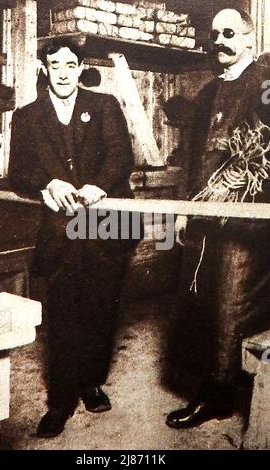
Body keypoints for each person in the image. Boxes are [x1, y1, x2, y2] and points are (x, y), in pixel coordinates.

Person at [9, 38, 135, 438]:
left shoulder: (104, 105)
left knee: (101, 306)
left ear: (81, 68)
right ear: (44, 69)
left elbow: (121, 154)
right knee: (62, 313)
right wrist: (47, 181)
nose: (63, 72)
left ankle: (91, 382)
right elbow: (19, 172)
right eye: (55, 64)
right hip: (60, 232)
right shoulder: (27, 117)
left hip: (104, 226)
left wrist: (99, 185)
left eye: (70, 65)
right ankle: (60, 400)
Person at [166, 8, 270, 429]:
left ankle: (222, 394)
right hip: (203, 216)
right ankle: (210, 386)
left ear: (248, 39)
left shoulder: (265, 84)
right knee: (201, 301)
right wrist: (182, 208)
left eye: (230, 33)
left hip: (245, 219)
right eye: (215, 35)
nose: (220, 41)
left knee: (232, 302)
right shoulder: (208, 92)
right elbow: (190, 162)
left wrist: (245, 185)